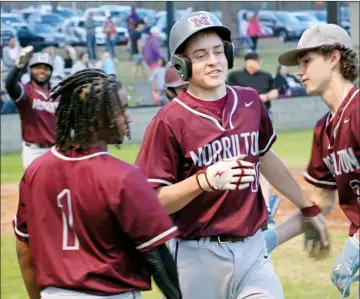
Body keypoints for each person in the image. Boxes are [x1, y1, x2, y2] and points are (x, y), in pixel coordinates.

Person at [135, 11, 330, 299]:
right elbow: (153, 203)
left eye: (218, 51)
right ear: (183, 64)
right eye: (200, 55)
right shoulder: (169, 121)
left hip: (253, 248)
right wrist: (204, 181)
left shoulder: (249, 101)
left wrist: (307, 207)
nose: (213, 60)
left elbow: (264, 156)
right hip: (197, 255)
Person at [12, 69, 182, 299]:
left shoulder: (35, 171)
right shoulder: (124, 177)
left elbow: (25, 250)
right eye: (120, 110)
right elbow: (158, 258)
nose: (127, 117)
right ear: (99, 118)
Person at [265, 23, 360, 299]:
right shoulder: (324, 130)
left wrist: (355, 245)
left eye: (306, 61)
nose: (299, 71)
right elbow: (320, 202)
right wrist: (270, 241)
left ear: (333, 58)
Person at [227, 51, 278, 205]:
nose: (257, 63)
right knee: (246, 154)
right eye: (255, 60)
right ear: (248, 61)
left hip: (264, 115)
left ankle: (264, 198)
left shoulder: (266, 76)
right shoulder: (236, 76)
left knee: (262, 153)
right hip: (241, 118)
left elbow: (275, 92)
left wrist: (266, 97)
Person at [5, 47, 58, 169]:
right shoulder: (26, 91)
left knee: (59, 187)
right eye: (37, 67)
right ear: (30, 70)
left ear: (51, 71)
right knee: (36, 187)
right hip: (34, 151)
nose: (41, 71)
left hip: (55, 150)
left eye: (45, 68)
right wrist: (19, 66)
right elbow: (9, 85)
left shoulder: (57, 94)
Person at [129, 20, 147, 88]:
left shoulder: (133, 32)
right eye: (143, 25)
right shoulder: (139, 33)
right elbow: (139, 44)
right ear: (139, 25)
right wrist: (141, 53)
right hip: (138, 53)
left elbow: (130, 43)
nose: (143, 27)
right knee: (142, 67)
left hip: (134, 52)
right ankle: (145, 81)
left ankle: (133, 82)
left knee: (136, 67)